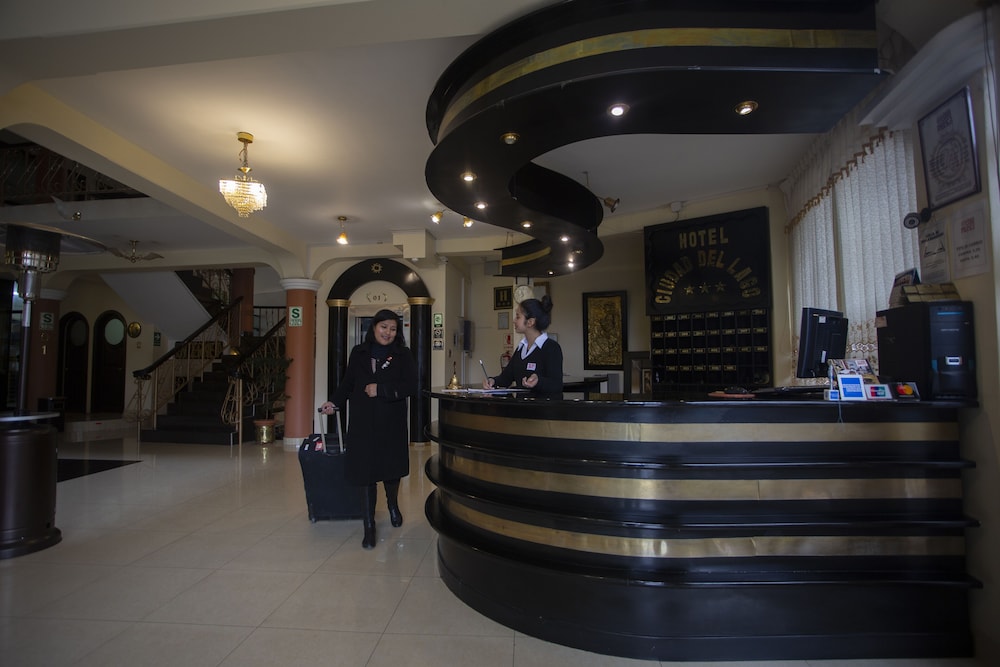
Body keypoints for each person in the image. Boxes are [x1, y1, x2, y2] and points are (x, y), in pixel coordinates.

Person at [320, 309, 416, 549]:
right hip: (362, 422)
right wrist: (334, 402)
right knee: (366, 473)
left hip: (391, 422)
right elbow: (348, 383)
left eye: (393, 329)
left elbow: (410, 386)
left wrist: (381, 390)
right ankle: (369, 525)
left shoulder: (403, 354)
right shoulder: (359, 352)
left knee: (391, 470)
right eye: (384, 327)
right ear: (374, 327)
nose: (388, 333)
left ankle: (392, 504)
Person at [483, 295, 563, 398]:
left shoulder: (551, 348)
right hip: (520, 407)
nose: (514, 320)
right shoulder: (521, 348)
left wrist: (538, 381)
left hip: (541, 407)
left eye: (518, 317)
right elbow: (506, 378)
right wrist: (492, 381)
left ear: (530, 322)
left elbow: (556, 385)